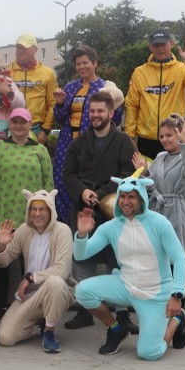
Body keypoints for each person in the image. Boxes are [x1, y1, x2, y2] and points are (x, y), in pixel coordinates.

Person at [74, 174, 185, 360]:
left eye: (131, 197)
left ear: (142, 199)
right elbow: (81, 255)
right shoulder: (110, 227)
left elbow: (180, 258)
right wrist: (81, 234)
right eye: (122, 196)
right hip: (125, 285)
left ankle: (176, 320)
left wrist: (177, 295)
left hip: (155, 294)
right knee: (82, 291)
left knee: (149, 353)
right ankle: (116, 329)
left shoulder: (159, 223)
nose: (125, 201)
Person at [62, 91, 138, 332]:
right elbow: (68, 174)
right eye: (92, 111)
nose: (95, 115)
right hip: (83, 208)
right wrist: (83, 192)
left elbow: (128, 175)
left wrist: (103, 192)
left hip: (112, 211)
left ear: (111, 113)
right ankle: (85, 309)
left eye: (100, 111)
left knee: (117, 260)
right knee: (83, 261)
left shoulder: (124, 142)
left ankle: (123, 313)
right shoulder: (78, 143)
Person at [0, 107, 53, 320]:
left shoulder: (40, 150)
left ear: (29, 123)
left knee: (31, 260)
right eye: (14, 121)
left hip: (32, 215)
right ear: (9, 124)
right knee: (1, 260)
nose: (18, 125)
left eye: (22, 122)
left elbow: (48, 182)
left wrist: (49, 211)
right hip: (3, 211)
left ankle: (34, 303)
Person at [0, 190, 74, 353]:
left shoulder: (62, 230)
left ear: (51, 210)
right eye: (33, 209)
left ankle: (49, 331)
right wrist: (1, 246)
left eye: (42, 209)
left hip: (56, 292)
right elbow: (3, 263)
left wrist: (32, 278)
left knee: (55, 282)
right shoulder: (24, 230)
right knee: (5, 338)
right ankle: (38, 320)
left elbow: (62, 270)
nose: (37, 214)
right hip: (29, 296)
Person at [53, 45, 125, 223]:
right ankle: (66, 228)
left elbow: (114, 116)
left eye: (85, 63)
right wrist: (60, 104)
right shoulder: (70, 87)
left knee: (88, 185)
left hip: (94, 145)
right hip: (67, 144)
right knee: (63, 185)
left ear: (95, 63)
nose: (82, 67)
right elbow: (61, 119)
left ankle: (89, 230)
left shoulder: (106, 88)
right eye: (78, 64)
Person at [125, 29, 185, 158]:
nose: (160, 48)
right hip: (146, 140)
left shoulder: (182, 69)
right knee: (146, 177)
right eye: (156, 45)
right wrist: (129, 135)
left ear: (171, 44)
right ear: (150, 47)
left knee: (173, 176)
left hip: (174, 136)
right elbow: (131, 104)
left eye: (163, 44)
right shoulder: (139, 72)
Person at [132, 114, 185, 253]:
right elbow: (150, 187)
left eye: (169, 135)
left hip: (177, 211)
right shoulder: (160, 157)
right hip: (156, 211)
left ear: (179, 134)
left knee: (174, 256)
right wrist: (143, 173)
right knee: (154, 256)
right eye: (161, 136)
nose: (164, 140)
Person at [8, 34, 57, 144]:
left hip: (37, 130)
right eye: (18, 47)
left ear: (35, 50)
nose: (20, 51)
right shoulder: (6, 71)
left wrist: (45, 130)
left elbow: (52, 103)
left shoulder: (47, 73)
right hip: (12, 129)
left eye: (24, 48)